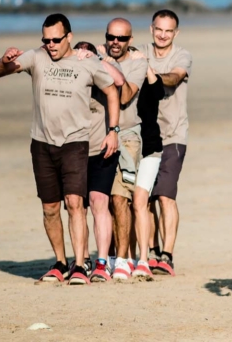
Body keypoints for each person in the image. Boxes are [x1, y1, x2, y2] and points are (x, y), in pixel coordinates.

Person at [0, 14, 119, 285]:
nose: (50, 45)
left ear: (69, 37)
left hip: (75, 142)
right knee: (50, 208)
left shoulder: (88, 62)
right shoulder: (36, 57)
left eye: (56, 40)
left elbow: (111, 91)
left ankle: (81, 265)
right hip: (41, 143)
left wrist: (113, 131)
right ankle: (61, 262)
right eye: (46, 40)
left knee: (74, 203)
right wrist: (4, 60)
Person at [137, 9, 192, 276]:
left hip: (173, 136)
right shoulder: (140, 52)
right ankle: (151, 251)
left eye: (168, 31)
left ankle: (167, 256)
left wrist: (152, 76)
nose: (162, 35)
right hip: (144, 135)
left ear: (175, 33)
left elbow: (175, 77)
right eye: (159, 29)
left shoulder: (181, 56)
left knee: (165, 196)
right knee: (145, 197)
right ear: (151, 29)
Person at [98, 19, 150, 281]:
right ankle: (102, 257)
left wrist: (107, 62)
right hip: (98, 137)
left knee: (121, 199)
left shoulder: (138, 62)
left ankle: (123, 259)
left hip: (129, 138)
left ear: (130, 40)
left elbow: (127, 94)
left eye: (121, 38)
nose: (115, 42)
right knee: (99, 201)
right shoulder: (95, 55)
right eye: (111, 37)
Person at [72, 41, 127, 283]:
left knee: (99, 202)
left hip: (103, 146)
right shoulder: (70, 70)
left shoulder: (103, 66)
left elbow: (119, 82)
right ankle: (81, 261)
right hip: (73, 149)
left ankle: (102, 262)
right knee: (76, 206)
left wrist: (97, 59)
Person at [130, 55, 168, 280]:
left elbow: (159, 92)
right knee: (120, 204)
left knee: (140, 202)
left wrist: (145, 65)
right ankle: (125, 258)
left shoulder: (148, 81)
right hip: (124, 146)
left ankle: (143, 259)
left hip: (149, 148)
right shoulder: (117, 76)